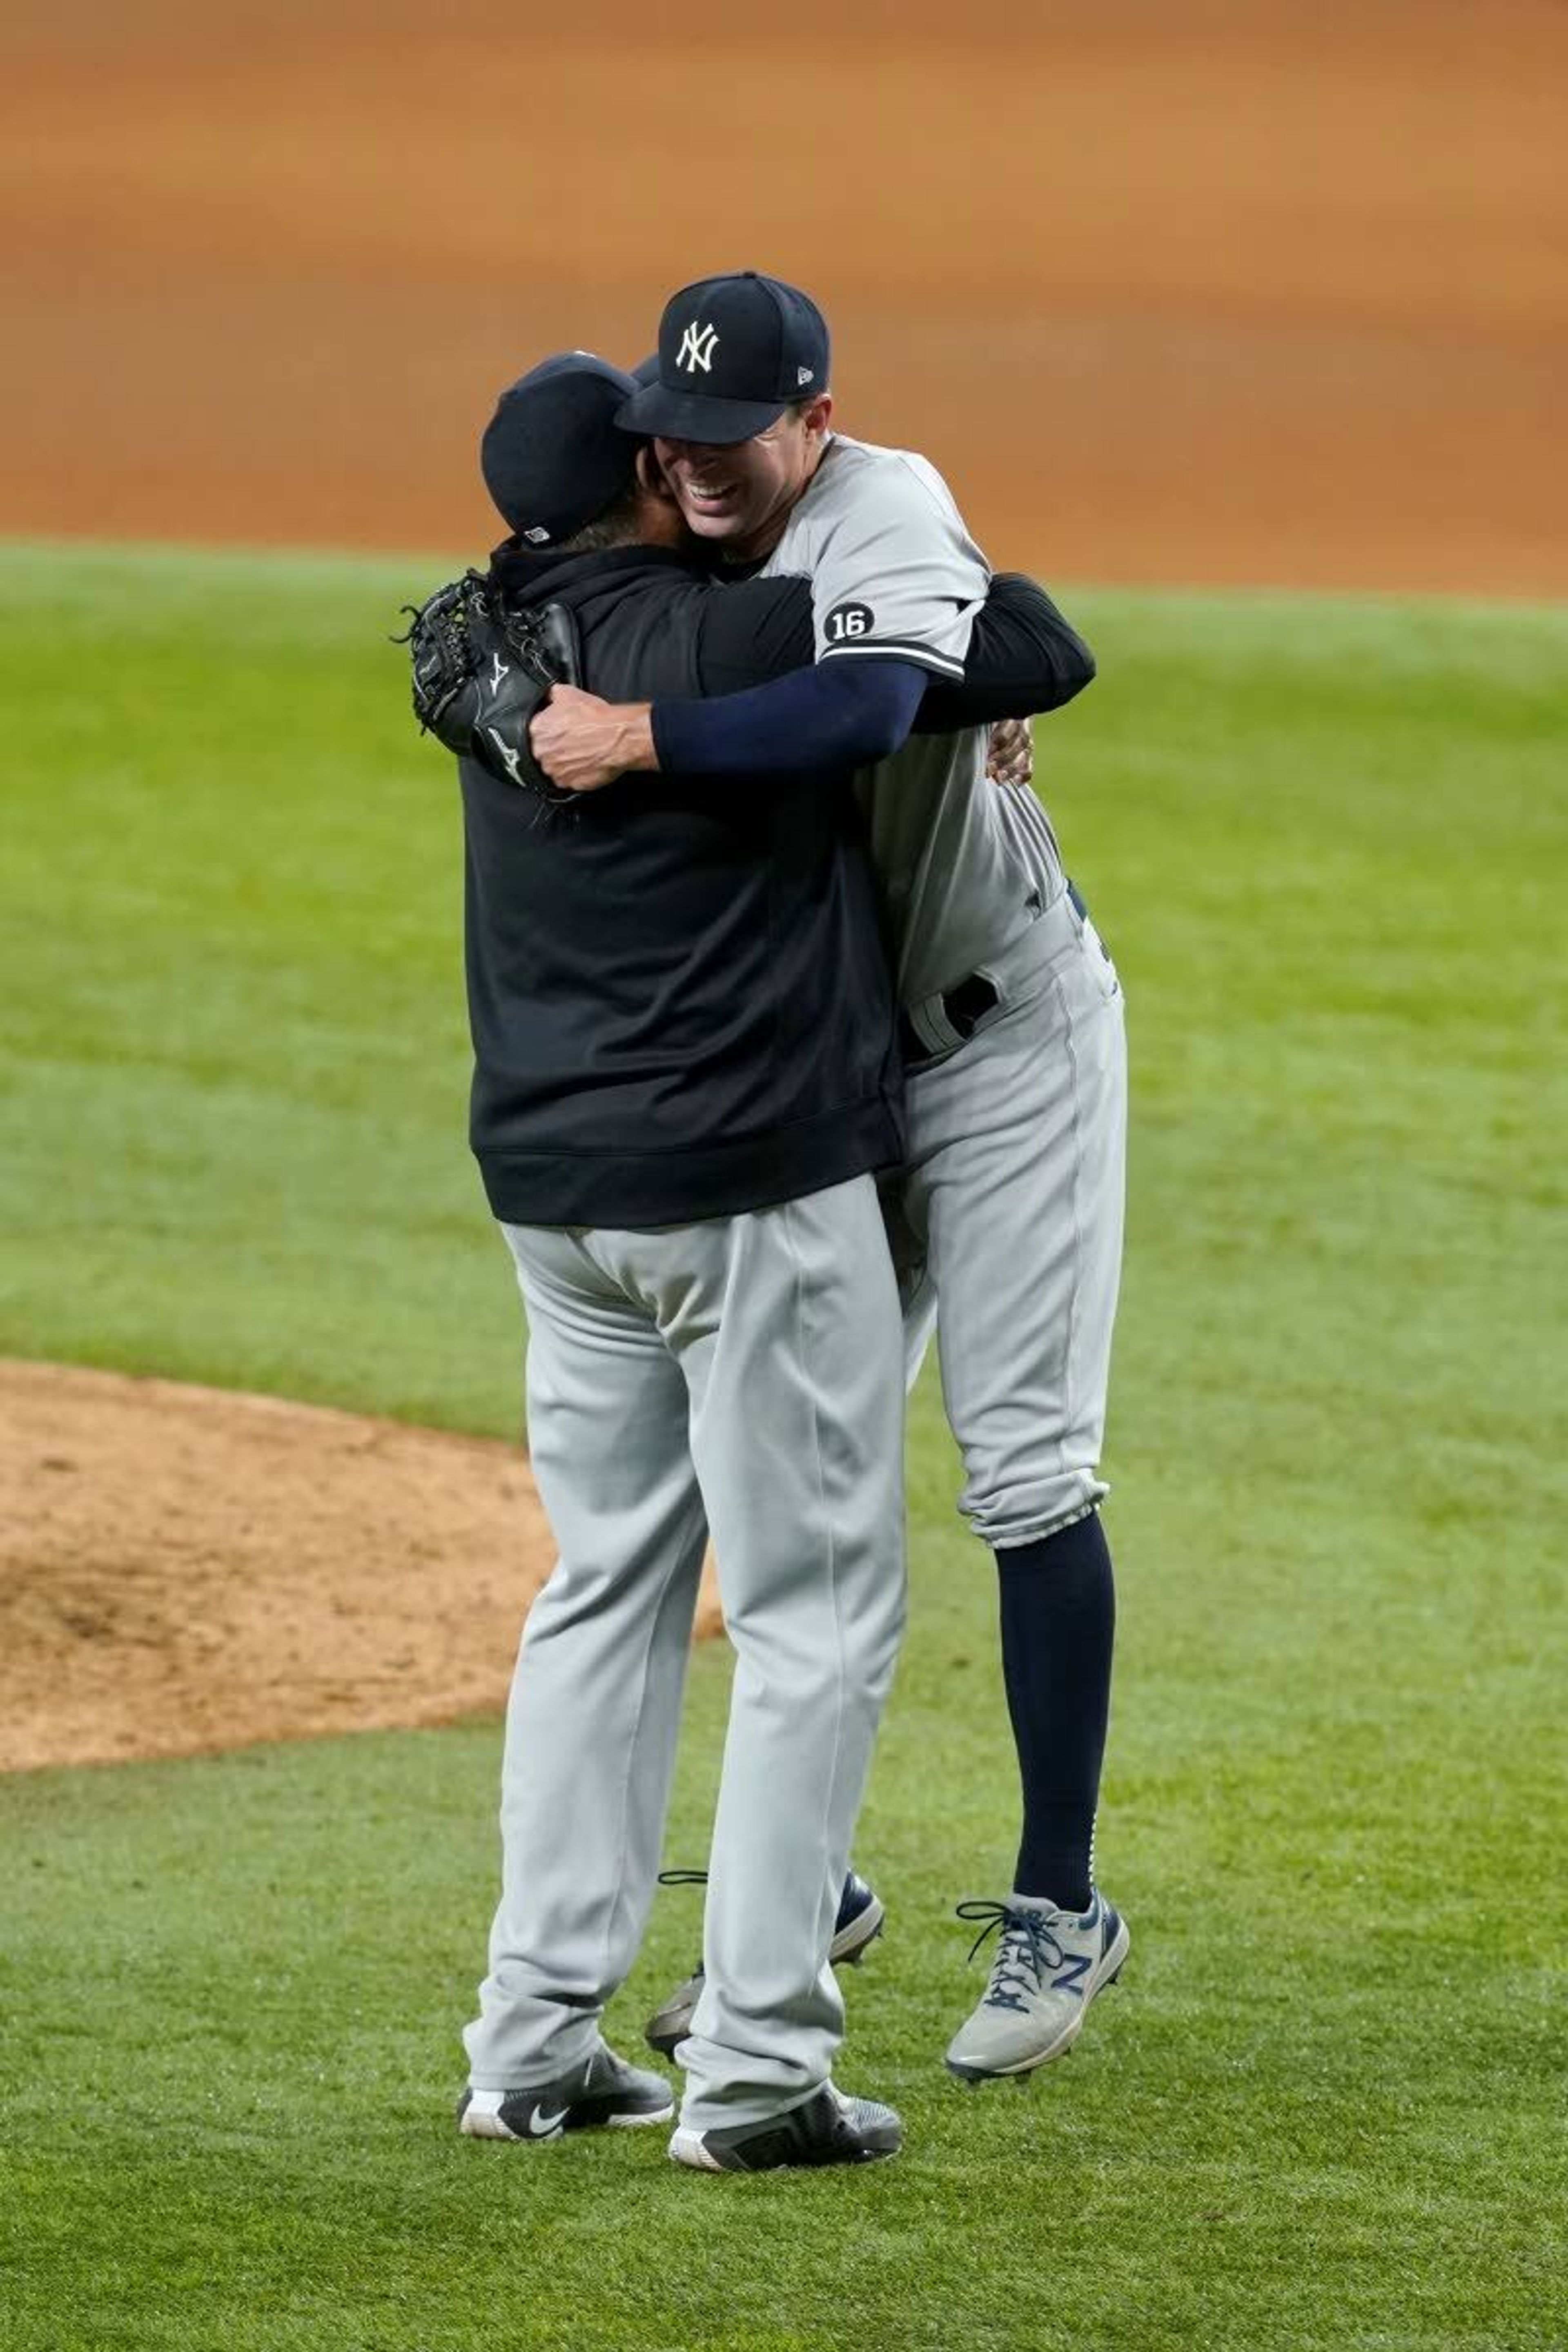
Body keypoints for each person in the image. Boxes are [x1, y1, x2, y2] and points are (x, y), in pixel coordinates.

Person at [437, 352, 1093, 2172]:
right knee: (812, 1623)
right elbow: (1027, 644)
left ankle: (533, 2042)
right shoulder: (741, 644)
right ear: (649, 477)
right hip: (738, 1191)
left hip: (553, 1198)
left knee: (602, 1594)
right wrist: (939, 651)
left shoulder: (492, 636)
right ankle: (760, 2076)